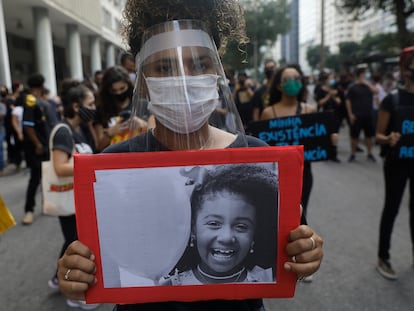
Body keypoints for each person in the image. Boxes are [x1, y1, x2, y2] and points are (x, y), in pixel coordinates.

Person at [57, 1, 323, 310]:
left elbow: (290, 251)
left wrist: (306, 253)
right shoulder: (112, 168)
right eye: (165, 67)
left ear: (217, 71)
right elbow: (98, 262)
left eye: (199, 64)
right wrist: (76, 273)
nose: (184, 80)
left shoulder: (258, 160)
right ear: (142, 81)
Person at [161, 164, 278, 285]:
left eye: (241, 226)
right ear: (193, 229)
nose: (226, 238)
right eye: (214, 223)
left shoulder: (265, 282)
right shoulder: (170, 287)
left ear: (254, 235)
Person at [47, 80, 99, 309]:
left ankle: (56, 278)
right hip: (69, 199)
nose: (94, 107)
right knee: (74, 240)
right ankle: (70, 291)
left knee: (73, 238)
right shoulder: (63, 131)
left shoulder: (79, 129)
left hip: (80, 197)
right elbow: (59, 168)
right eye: (91, 103)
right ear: (77, 106)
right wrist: (91, 165)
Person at [375, 47, 414, 280]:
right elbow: (379, 133)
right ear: (404, 69)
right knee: (392, 207)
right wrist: (388, 138)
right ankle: (383, 256)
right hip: (397, 162)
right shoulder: (392, 100)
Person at [260, 64, 316, 224]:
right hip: (278, 174)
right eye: (288, 79)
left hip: (304, 173)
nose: (293, 82)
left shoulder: (310, 110)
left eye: (297, 79)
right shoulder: (269, 113)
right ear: (279, 85)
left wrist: (330, 141)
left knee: (300, 215)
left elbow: (317, 140)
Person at [94, 66, 147, 152]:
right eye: (114, 90)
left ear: (128, 85)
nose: (118, 93)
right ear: (107, 90)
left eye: (122, 89)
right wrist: (109, 133)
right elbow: (99, 146)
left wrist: (144, 124)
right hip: (113, 158)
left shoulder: (141, 105)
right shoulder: (101, 110)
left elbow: (156, 135)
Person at [21, 74, 50, 225]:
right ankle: (29, 210)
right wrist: (37, 144)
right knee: (35, 178)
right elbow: (27, 125)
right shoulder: (30, 101)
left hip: (43, 145)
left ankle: (47, 204)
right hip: (35, 148)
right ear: (39, 86)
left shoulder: (37, 100)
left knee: (44, 176)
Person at [345, 66, 378, 162]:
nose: (367, 75)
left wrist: (367, 84)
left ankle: (370, 153)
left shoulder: (368, 85)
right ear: (360, 74)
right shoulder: (352, 87)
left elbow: (376, 91)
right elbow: (348, 101)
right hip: (356, 115)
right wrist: (350, 114)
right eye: (365, 73)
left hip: (368, 114)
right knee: (354, 136)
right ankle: (353, 154)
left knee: (369, 136)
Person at [314, 71, 341, 162]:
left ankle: (334, 153)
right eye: (331, 78)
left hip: (335, 114)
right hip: (325, 114)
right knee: (325, 134)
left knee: (334, 134)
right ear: (326, 80)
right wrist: (328, 95)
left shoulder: (336, 90)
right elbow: (320, 103)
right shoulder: (321, 90)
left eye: (333, 78)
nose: (332, 80)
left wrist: (333, 96)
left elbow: (339, 102)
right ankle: (325, 152)